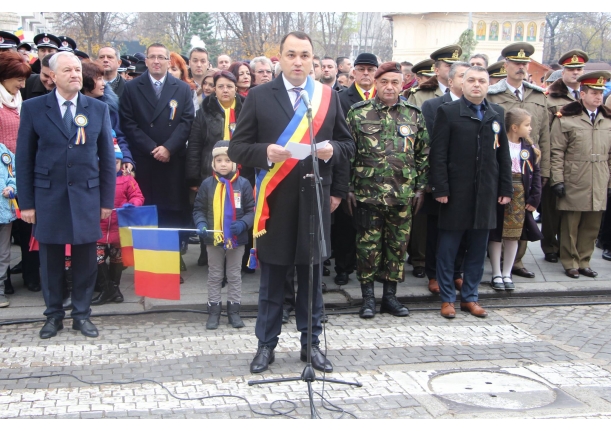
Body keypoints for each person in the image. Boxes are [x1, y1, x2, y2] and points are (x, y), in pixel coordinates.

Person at [228, 31, 355, 374]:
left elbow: (348, 145)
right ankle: (265, 345)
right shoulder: (259, 96)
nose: (298, 61)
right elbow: (237, 148)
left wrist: (332, 151)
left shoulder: (327, 96)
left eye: (304, 55)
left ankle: (310, 345)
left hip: (314, 200)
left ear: (313, 59)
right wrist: (264, 152)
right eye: (291, 55)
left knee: (311, 279)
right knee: (272, 278)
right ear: (280, 58)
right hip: (275, 203)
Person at [16, 51, 116, 338]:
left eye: (77, 70)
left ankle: (82, 315)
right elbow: (24, 158)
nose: (75, 74)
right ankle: (53, 316)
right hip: (48, 196)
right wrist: (27, 203)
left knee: (86, 259)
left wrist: (106, 201)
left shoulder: (97, 109)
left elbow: (107, 159)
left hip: (86, 196)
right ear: (53, 76)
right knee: (50, 260)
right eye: (68, 70)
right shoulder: (34, 108)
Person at [429, 66, 512, 319]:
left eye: (482, 81)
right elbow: (438, 154)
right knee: (448, 249)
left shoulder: (496, 113)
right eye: (472, 80)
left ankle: (470, 297)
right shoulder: (448, 112)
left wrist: (505, 187)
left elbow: (503, 154)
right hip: (456, 193)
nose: (477, 85)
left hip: (486, 193)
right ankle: (447, 299)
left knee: (477, 249)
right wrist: (441, 187)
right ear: (462, 84)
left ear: (489, 85)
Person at [347, 61, 429, 319]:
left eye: (395, 82)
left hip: (402, 195)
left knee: (397, 247)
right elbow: (348, 153)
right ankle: (368, 299)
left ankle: (390, 298)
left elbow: (423, 153)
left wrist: (421, 188)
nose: (389, 87)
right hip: (367, 194)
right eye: (384, 82)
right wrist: (348, 187)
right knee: (367, 247)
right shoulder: (358, 113)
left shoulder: (414, 114)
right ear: (376, 83)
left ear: (402, 84)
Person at [119, 43, 195, 267]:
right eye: (152, 57)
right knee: (148, 210)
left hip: (172, 159)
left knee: (172, 211)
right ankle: (149, 262)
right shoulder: (132, 88)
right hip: (145, 159)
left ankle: (172, 261)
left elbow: (186, 121)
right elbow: (128, 123)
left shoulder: (182, 88)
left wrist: (168, 147)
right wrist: (152, 147)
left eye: (161, 57)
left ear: (168, 62)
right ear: (146, 61)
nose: (156, 61)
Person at [487, 42, 550, 280]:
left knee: (522, 217)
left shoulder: (538, 95)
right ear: (506, 65)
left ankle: (516, 262)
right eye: (516, 63)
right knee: (498, 221)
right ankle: (496, 264)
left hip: (529, 166)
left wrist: (545, 170)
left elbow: (545, 135)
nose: (521, 67)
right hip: (502, 164)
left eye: (524, 63)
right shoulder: (493, 95)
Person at [407, 45, 462, 279]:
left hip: (457, 171)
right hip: (428, 166)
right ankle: (421, 260)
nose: (452, 69)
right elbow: (418, 136)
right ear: (437, 69)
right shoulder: (421, 95)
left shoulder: (470, 95)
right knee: (425, 221)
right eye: (448, 66)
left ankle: (453, 268)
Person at [550, 71, 611, 279]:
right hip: (574, 178)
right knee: (571, 225)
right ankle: (570, 262)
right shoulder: (566, 118)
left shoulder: (607, 119)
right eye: (594, 92)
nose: (598, 97)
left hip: (599, 178)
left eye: (600, 93)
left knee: (592, 225)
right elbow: (556, 151)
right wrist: (557, 179)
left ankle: (584, 261)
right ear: (582, 94)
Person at [420, 61, 470, 295]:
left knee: (462, 229)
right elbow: (429, 144)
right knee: (436, 230)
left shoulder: (478, 106)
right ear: (450, 81)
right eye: (462, 76)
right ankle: (434, 274)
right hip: (441, 178)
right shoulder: (432, 106)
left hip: (467, 181)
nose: (467, 81)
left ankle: (456, 272)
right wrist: (433, 181)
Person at [193, 141, 254, 329]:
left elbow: (252, 211)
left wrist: (243, 224)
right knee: (215, 275)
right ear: (213, 163)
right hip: (214, 239)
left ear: (235, 163)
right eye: (219, 160)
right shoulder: (207, 184)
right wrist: (201, 223)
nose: (223, 164)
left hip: (237, 239)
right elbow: (199, 209)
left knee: (234, 275)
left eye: (228, 160)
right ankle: (214, 311)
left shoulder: (243, 184)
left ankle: (234, 312)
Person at [541, 50, 588, 264]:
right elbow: (546, 133)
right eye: (571, 69)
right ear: (563, 72)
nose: (575, 73)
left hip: (581, 160)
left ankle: (569, 247)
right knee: (552, 207)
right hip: (556, 157)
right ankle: (550, 245)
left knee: (574, 209)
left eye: (579, 69)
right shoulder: (551, 97)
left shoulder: (588, 94)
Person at [488, 108, 542, 290]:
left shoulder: (528, 148)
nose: (530, 128)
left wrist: (534, 198)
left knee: (513, 236)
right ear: (514, 127)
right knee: (496, 235)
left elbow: (536, 174)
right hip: (500, 194)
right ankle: (496, 273)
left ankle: (507, 272)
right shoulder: (498, 145)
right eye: (527, 125)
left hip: (520, 194)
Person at [93, 141, 144, 305]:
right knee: (97, 258)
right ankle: (108, 289)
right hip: (98, 228)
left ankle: (114, 288)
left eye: (115, 162)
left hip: (119, 227)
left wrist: (132, 205)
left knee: (117, 259)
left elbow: (138, 196)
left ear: (121, 164)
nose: (111, 166)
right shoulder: (93, 179)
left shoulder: (127, 180)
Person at [0, 51, 34, 295]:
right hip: (3, 175)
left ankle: (22, 275)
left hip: (20, 171)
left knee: (21, 226)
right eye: (18, 79)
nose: (22, 85)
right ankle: (3, 281)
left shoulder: (18, 100)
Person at [80, 61, 134, 175]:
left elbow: (119, 135)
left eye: (102, 78)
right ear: (86, 81)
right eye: (99, 79)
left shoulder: (109, 106)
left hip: (110, 167)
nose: (103, 84)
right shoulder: (74, 108)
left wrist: (126, 157)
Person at [0, 142, 17, 307]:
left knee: (3, 253)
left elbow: (15, 174)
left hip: (4, 212)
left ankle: (0, 289)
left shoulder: (4, 152)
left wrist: (12, 187)